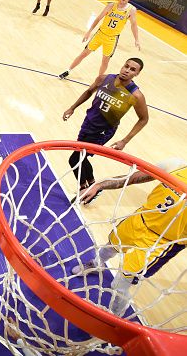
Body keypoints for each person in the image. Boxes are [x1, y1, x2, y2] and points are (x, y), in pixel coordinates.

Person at [72, 158, 187, 314]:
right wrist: (99, 185)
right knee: (110, 246)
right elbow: (131, 178)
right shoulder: (178, 165)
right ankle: (96, 264)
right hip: (141, 219)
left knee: (119, 285)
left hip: (161, 241)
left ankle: (114, 316)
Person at [62, 58, 148, 198]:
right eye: (126, 66)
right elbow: (89, 91)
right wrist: (72, 108)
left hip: (103, 131)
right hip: (88, 123)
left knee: (75, 159)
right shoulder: (104, 78)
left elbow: (144, 119)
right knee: (82, 158)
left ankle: (85, 190)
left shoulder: (136, 95)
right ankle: (92, 186)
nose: (127, 70)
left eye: (133, 69)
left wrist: (124, 141)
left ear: (137, 74)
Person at [58, 0, 140, 79]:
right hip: (100, 34)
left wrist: (136, 39)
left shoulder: (131, 10)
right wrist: (89, 32)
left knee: (105, 61)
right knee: (83, 54)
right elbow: (98, 19)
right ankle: (68, 70)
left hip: (112, 39)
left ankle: (99, 79)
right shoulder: (111, 5)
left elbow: (133, 25)